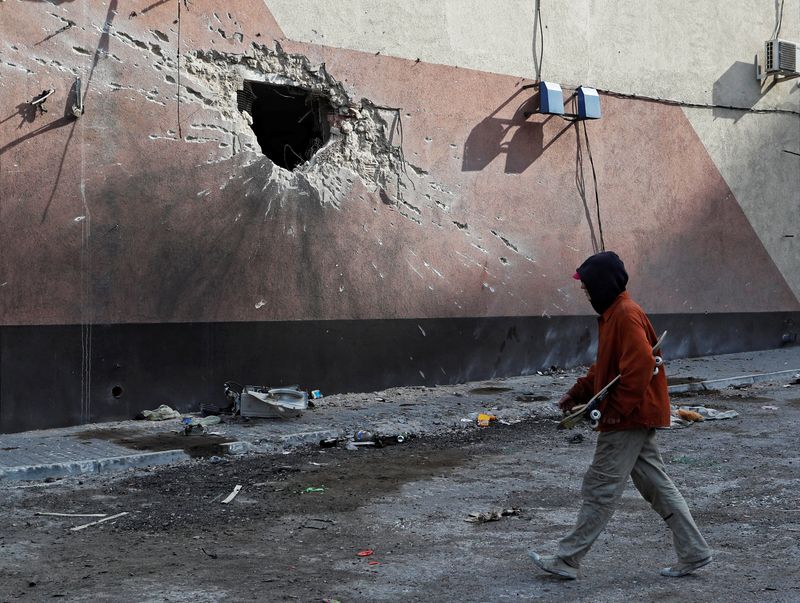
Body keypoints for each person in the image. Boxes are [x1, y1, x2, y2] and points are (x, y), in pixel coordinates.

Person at [530, 251, 712, 580]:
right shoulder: (617, 313)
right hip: (636, 415)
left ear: (602, 284)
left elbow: (640, 366)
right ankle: (694, 551)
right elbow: (608, 367)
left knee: (600, 486)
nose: (586, 294)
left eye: (588, 287)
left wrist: (614, 412)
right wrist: (579, 391)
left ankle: (567, 560)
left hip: (628, 418)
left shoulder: (625, 315)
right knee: (656, 484)